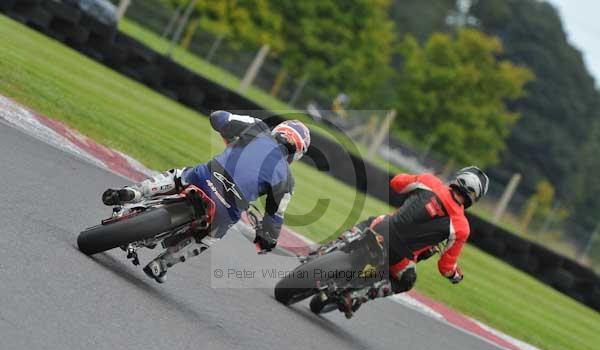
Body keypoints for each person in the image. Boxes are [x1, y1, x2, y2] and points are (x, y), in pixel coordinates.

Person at [101, 111, 311, 283]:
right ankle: (162, 264)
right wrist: (267, 242)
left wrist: (230, 139)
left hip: (204, 178)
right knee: (210, 237)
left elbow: (218, 117)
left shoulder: (257, 127)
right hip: (226, 210)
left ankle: (132, 193)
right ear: (296, 153)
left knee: (178, 177)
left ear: (279, 131)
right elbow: (274, 220)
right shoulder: (287, 181)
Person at [339, 167, 489, 316]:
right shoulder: (461, 226)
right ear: (474, 197)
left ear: (458, 178)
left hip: (382, 228)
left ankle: (339, 242)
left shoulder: (429, 181)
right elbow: (446, 267)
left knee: (371, 222)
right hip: (399, 255)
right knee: (407, 281)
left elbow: (396, 182)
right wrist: (456, 275)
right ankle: (357, 295)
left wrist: (416, 183)